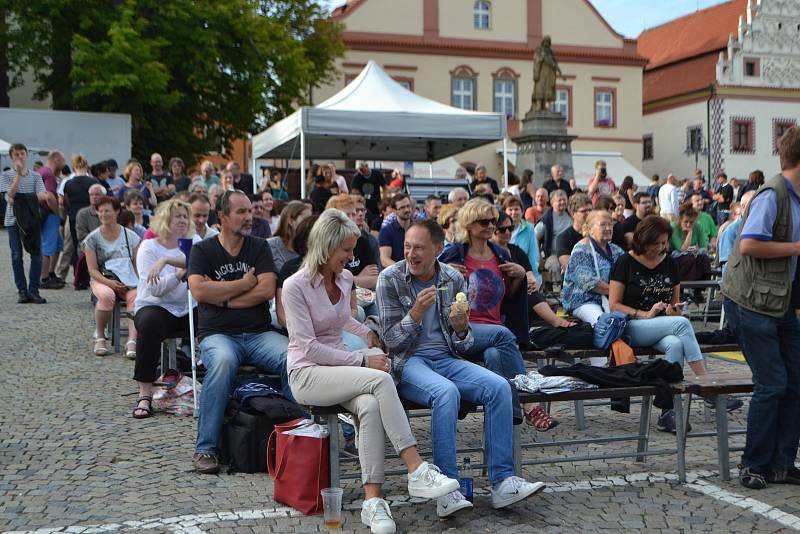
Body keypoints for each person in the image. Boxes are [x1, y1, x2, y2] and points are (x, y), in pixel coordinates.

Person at [283, 210, 459, 533]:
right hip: (307, 373)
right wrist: (363, 360)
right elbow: (308, 347)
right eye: (346, 251)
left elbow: (339, 321)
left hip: (337, 364)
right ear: (325, 246)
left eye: (353, 250)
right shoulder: (294, 287)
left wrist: (367, 330)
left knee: (371, 405)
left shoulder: (345, 278)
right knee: (379, 377)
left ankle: (372, 501)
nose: (352, 258)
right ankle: (416, 467)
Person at [379, 218, 547, 518]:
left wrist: (461, 330)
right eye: (407, 246)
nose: (410, 253)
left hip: (445, 358)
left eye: (419, 248)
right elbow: (391, 343)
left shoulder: (452, 280)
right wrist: (415, 313)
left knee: (499, 386)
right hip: (409, 362)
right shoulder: (390, 278)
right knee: (446, 393)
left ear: (438, 249)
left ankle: (503, 482)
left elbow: (463, 345)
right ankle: (448, 490)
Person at [187, 190, 290, 475]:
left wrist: (221, 297)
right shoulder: (203, 250)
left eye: (250, 211)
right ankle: (206, 448)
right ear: (221, 217)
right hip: (217, 334)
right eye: (241, 212)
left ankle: (299, 434)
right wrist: (245, 283)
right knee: (222, 363)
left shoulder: (258, 246)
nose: (249, 217)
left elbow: (267, 289)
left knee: (292, 357)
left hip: (258, 333)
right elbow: (198, 290)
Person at [610, 215, 741, 433]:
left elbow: (675, 304)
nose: (662, 247)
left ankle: (667, 411)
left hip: (663, 324)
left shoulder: (669, 262)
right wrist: (644, 313)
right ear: (643, 240)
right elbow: (614, 305)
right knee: (681, 325)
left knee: (676, 344)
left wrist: (673, 309)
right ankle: (707, 386)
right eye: (657, 243)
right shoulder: (625, 262)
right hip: (632, 324)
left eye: (665, 242)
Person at [722, 127, 800, 490]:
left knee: (795, 382)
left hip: (778, 302)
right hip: (750, 302)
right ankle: (753, 464)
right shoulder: (773, 195)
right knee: (772, 383)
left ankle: (783, 464)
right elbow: (750, 244)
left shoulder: (796, 197)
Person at [439, 199, 555, 429]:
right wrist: (443, 271)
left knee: (494, 355)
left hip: (493, 332)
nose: (491, 225)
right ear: (469, 224)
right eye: (484, 221)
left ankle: (507, 415)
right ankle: (530, 404)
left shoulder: (500, 254)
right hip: (460, 331)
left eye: (493, 221)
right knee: (503, 335)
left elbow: (510, 298)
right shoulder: (453, 255)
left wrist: (520, 275)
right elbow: (429, 285)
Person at [131, 199, 197, 418]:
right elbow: (156, 289)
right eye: (177, 215)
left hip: (188, 305)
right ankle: (145, 394)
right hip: (155, 305)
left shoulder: (194, 241)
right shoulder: (148, 248)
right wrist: (179, 274)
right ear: (165, 219)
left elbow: (200, 264)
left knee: (216, 317)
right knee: (148, 324)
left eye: (185, 216)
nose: (182, 220)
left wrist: (168, 262)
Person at [560, 210, 625, 366]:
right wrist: (618, 291)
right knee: (603, 324)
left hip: (610, 299)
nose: (609, 228)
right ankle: (599, 367)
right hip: (583, 299)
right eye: (603, 224)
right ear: (589, 228)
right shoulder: (581, 249)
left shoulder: (616, 250)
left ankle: (619, 364)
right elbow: (588, 282)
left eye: (610, 224)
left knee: (625, 323)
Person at [493, 213, 575, 329]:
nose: (507, 232)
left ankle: (556, 322)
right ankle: (557, 321)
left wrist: (532, 282)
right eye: (502, 229)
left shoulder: (517, 251)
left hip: (518, 294)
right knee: (528, 292)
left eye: (510, 228)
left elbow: (529, 272)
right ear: (493, 229)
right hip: (498, 295)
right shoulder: (490, 251)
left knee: (530, 290)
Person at [84, 196, 141, 357]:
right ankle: (100, 336)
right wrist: (110, 283)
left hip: (128, 279)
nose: (103, 214)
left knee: (136, 297)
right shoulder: (92, 239)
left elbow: (138, 265)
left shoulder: (131, 237)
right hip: (102, 278)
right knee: (107, 295)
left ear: (117, 212)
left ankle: (132, 340)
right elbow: (92, 270)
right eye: (100, 211)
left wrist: (139, 283)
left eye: (107, 210)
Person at [1, 143, 49, 303]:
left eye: (22, 154)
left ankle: (33, 290)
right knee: (16, 256)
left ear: (26, 155)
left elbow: (43, 196)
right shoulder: (6, 175)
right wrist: (19, 175)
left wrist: (22, 199)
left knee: (37, 255)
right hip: (13, 221)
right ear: (11, 157)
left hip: (32, 219)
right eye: (16, 154)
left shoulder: (36, 176)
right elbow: (10, 196)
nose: (20, 157)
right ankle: (22, 291)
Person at [327, 195, 379, 291]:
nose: (351, 219)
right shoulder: (328, 247)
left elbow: (375, 280)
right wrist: (358, 278)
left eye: (353, 214)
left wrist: (351, 279)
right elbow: (333, 282)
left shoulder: (363, 241)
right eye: (347, 215)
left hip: (364, 297)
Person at [64, 154, 101, 266]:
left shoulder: (68, 183)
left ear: (73, 167)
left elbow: (65, 202)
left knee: (78, 246)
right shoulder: (93, 181)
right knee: (95, 245)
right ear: (86, 166)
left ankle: (78, 274)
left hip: (74, 217)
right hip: (92, 217)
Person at [38, 151, 66, 289]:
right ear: (56, 159)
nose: (64, 163)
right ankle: (44, 279)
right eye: (62, 160)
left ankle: (51, 273)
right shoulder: (49, 175)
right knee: (48, 248)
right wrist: (57, 213)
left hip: (45, 215)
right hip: (49, 215)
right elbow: (49, 197)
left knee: (58, 245)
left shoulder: (41, 171)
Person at [534, 189, 571, 282]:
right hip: (553, 255)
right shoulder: (546, 219)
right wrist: (539, 258)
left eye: (564, 199)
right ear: (552, 202)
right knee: (554, 266)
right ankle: (557, 293)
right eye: (559, 200)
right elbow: (535, 237)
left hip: (571, 254)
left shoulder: (571, 215)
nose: (562, 202)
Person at [503, 195, 541, 285]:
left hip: (525, 272)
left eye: (516, 209)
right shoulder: (500, 229)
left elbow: (533, 256)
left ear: (522, 211)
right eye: (510, 209)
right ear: (505, 212)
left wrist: (534, 278)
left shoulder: (529, 228)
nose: (513, 212)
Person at [266, 200, 312, 272]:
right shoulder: (271, 245)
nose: (309, 224)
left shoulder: (310, 246)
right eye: (305, 219)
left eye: (310, 220)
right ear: (291, 221)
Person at [718, 191, 756, 268]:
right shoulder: (730, 231)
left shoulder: (760, 228)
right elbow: (727, 266)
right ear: (743, 206)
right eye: (755, 204)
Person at [556, 193, 592, 271]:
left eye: (590, 210)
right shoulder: (563, 238)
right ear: (573, 214)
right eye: (584, 211)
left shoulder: (597, 235)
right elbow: (570, 267)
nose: (588, 213)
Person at [379, 193, 414, 267]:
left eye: (408, 206)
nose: (407, 210)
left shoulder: (418, 228)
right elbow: (384, 260)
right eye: (402, 207)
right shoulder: (387, 231)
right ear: (394, 211)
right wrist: (404, 270)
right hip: (395, 274)